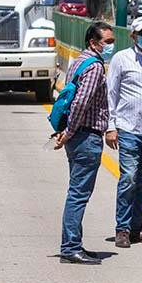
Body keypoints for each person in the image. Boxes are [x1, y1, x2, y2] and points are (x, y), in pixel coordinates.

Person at [54, 21, 115, 265]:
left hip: (80, 136)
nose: (111, 46)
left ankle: (73, 243)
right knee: (78, 194)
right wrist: (69, 131)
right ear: (93, 42)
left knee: (77, 192)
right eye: (108, 42)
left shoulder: (80, 61)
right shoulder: (95, 68)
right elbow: (80, 102)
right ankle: (70, 247)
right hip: (86, 136)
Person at [105, 16, 142, 248]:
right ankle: (122, 228)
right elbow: (111, 93)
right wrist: (111, 127)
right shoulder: (122, 59)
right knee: (128, 178)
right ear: (133, 36)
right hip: (129, 127)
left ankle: (137, 228)